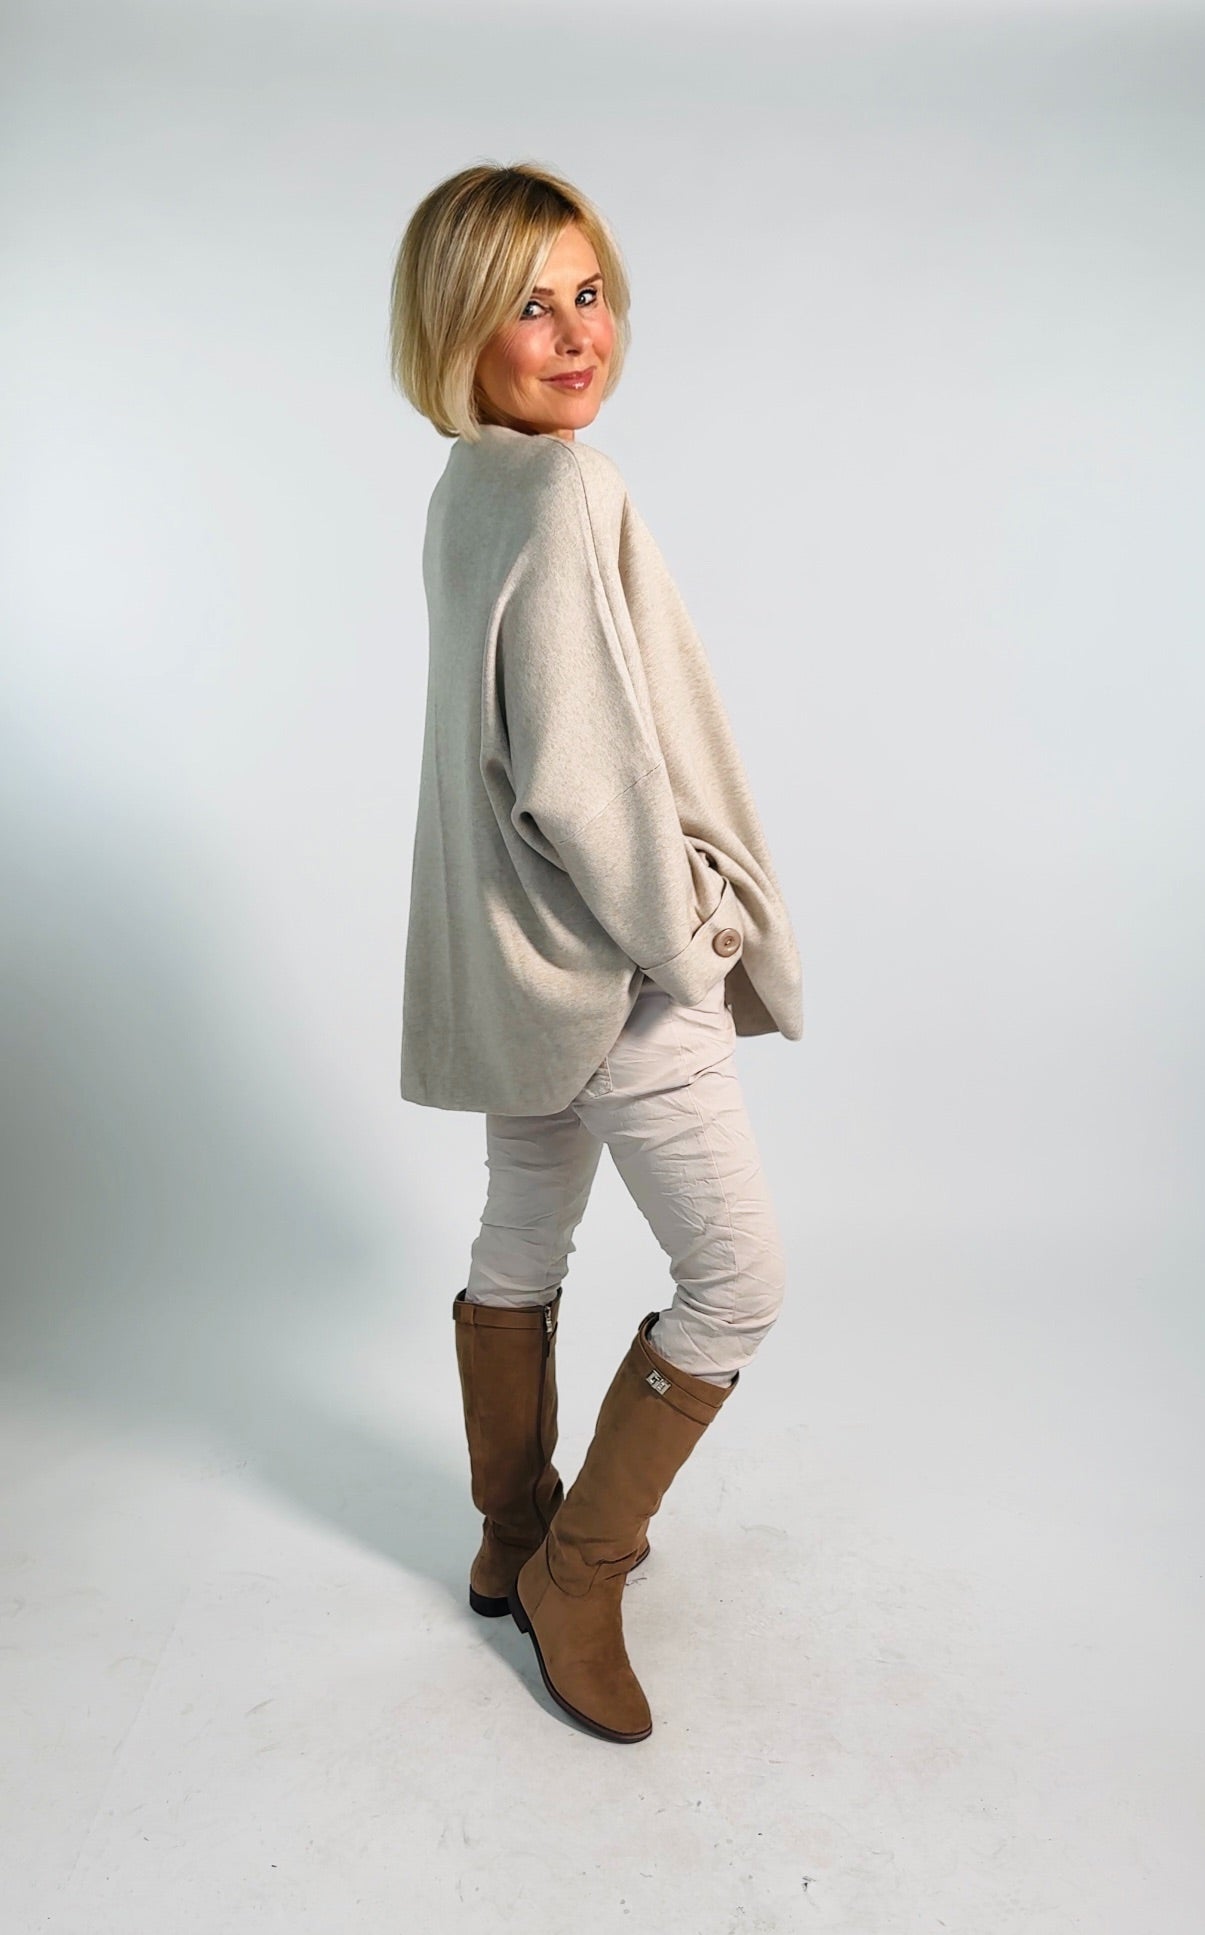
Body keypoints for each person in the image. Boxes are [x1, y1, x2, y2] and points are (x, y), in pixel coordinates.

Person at [388, 161, 803, 1744]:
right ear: (457, 330)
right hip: (611, 969)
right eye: (528, 306)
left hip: (512, 968)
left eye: (588, 293)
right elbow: (582, 776)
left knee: (521, 1236)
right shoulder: (564, 490)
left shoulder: (469, 486)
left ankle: (508, 1535)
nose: (577, 335)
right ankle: (578, 1575)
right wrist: (691, 940)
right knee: (737, 1283)